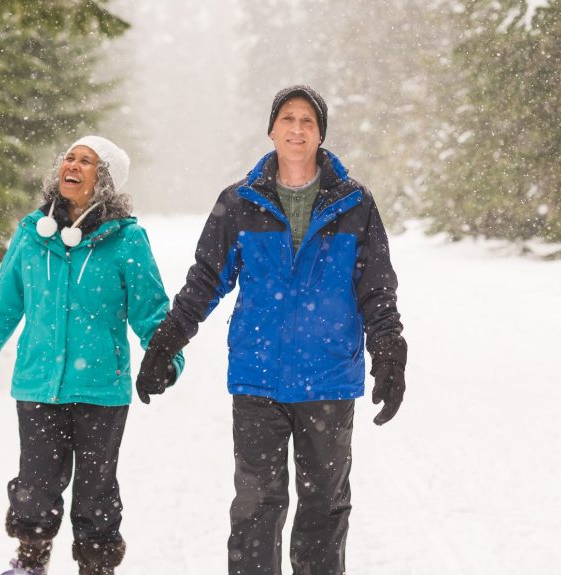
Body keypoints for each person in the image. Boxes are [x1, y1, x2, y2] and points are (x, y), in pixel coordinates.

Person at [136, 85, 407, 575]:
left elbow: (377, 290)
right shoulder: (241, 202)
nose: (297, 129)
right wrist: (168, 339)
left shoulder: (355, 204)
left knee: (323, 509)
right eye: (288, 119)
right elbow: (205, 281)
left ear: (321, 134)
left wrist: (388, 351)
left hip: (328, 381)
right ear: (272, 130)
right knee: (256, 508)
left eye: (308, 121)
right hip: (257, 379)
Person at [0, 135, 183, 575]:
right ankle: (31, 560)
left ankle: (96, 566)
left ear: (103, 179)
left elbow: (152, 312)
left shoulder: (127, 239)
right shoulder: (32, 234)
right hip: (37, 386)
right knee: (35, 486)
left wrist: (167, 361)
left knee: (96, 492)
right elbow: (2, 310)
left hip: (101, 390)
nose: (72, 164)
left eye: (86, 161)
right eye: (69, 157)